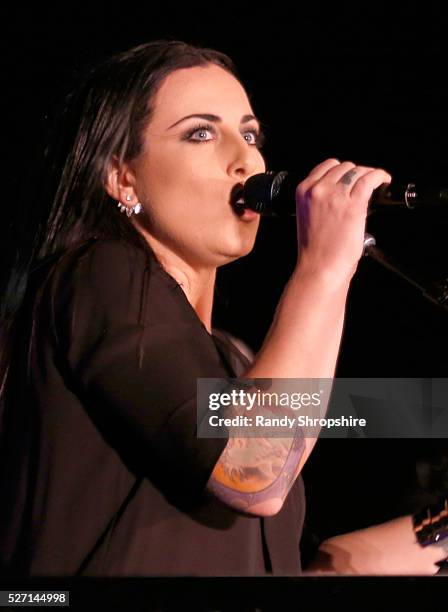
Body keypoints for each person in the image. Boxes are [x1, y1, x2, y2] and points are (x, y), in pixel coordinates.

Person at [0, 40, 445, 577]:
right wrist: (324, 270)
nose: (247, 159)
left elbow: (287, 566)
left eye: (251, 133)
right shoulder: (97, 272)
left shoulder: (237, 364)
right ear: (122, 177)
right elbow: (253, 468)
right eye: (201, 132)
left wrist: (437, 530)